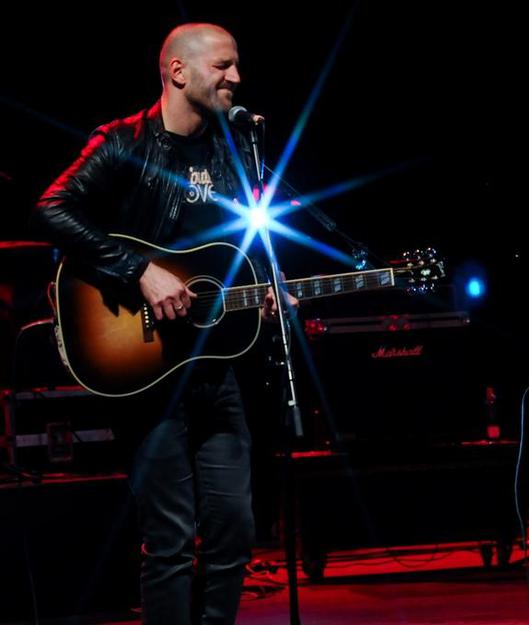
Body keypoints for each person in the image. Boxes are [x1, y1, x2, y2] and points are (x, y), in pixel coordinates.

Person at [32, 23, 294, 624]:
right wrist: (138, 271)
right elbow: (50, 208)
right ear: (178, 71)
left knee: (235, 530)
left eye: (236, 66)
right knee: (170, 539)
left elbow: (235, 251)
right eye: (223, 66)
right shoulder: (124, 142)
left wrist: (266, 288)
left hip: (216, 366)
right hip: (146, 368)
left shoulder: (234, 150)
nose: (236, 78)